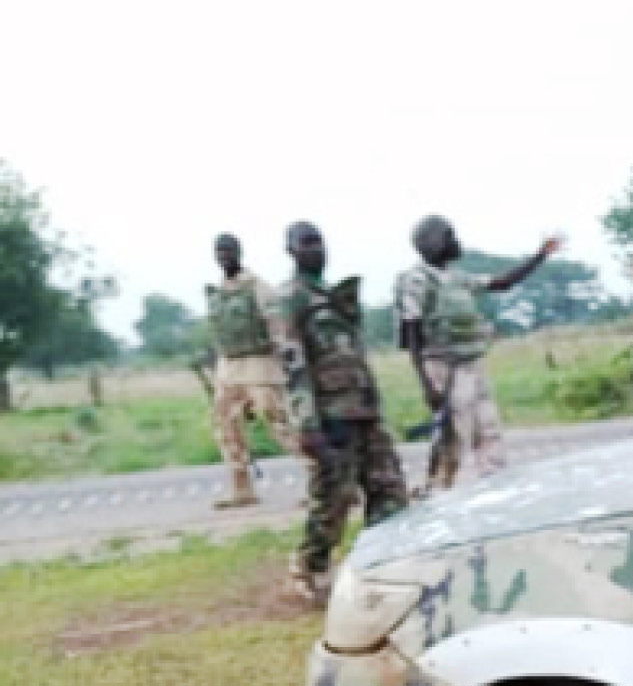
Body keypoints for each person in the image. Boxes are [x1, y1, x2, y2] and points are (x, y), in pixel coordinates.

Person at [274, 222, 409, 606]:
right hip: (329, 414)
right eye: (306, 244)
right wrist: (307, 424)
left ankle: (382, 568)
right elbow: (293, 364)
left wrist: (376, 406)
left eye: (319, 242)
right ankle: (309, 567)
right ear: (291, 251)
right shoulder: (291, 300)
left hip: (363, 408)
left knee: (388, 489)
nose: (315, 250)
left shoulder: (336, 297)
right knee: (334, 497)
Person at [395, 217, 562, 489]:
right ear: (433, 242)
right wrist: (427, 384)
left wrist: (540, 255)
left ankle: (494, 485)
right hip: (443, 365)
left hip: (471, 362)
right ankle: (441, 492)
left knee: (488, 429)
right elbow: (411, 330)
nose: (455, 241)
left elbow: (502, 283)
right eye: (449, 236)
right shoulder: (417, 280)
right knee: (454, 435)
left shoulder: (457, 278)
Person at [203, 234, 305, 510]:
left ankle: (319, 479)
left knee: (281, 426)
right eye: (219, 251)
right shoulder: (218, 293)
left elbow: (278, 328)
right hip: (229, 369)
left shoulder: (259, 289)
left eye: (228, 251)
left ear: (239, 252)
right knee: (227, 430)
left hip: (260, 366)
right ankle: (241, 488)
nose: (223, 256)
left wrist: (288, 363)